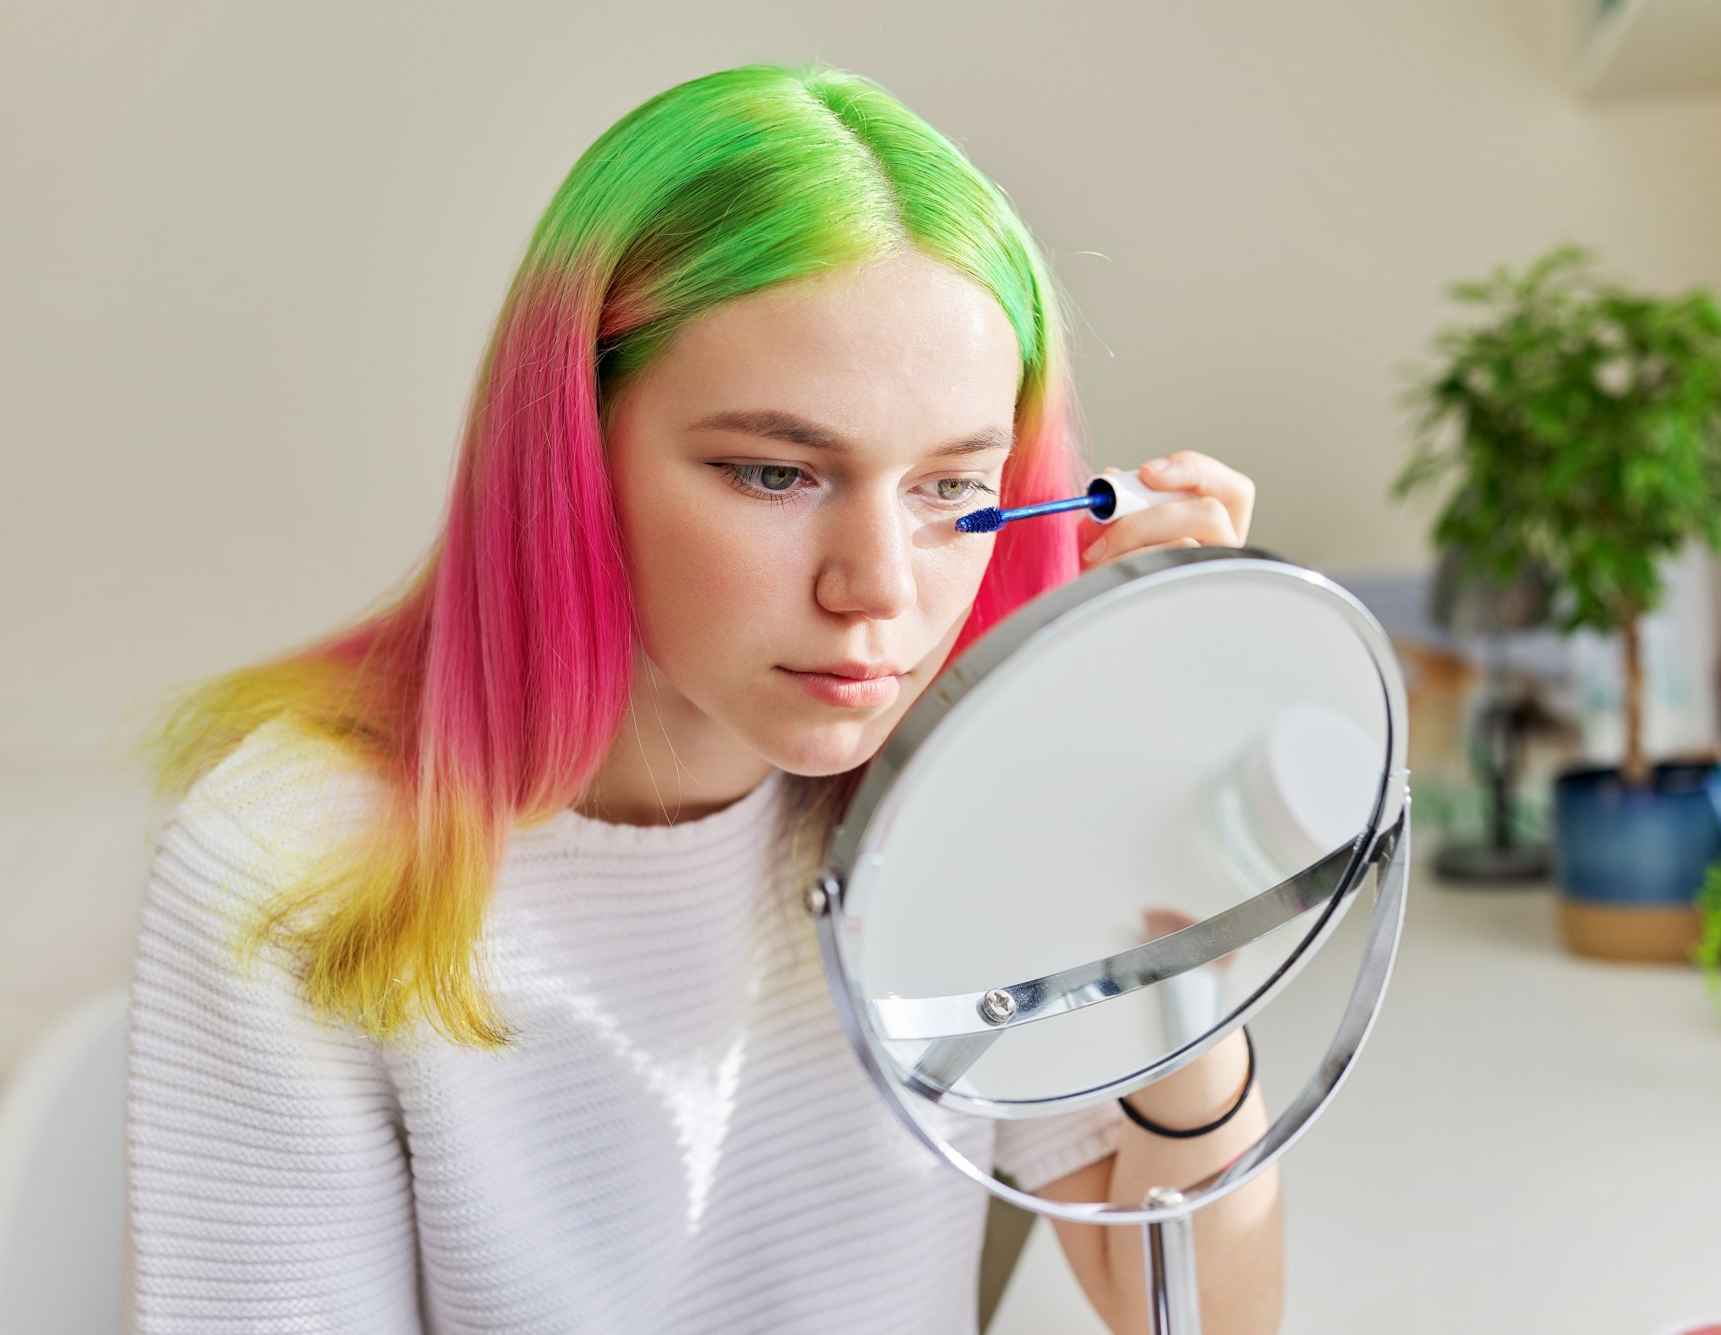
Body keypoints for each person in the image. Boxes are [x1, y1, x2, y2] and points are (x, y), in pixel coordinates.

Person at [123, 61, 1278, 1334]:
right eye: (776, 475)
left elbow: (1194, 1314)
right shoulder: (290, 861)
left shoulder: (964, 797)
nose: (876, 588)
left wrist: (1169, 923)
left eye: (951, 488)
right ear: (573, 450)